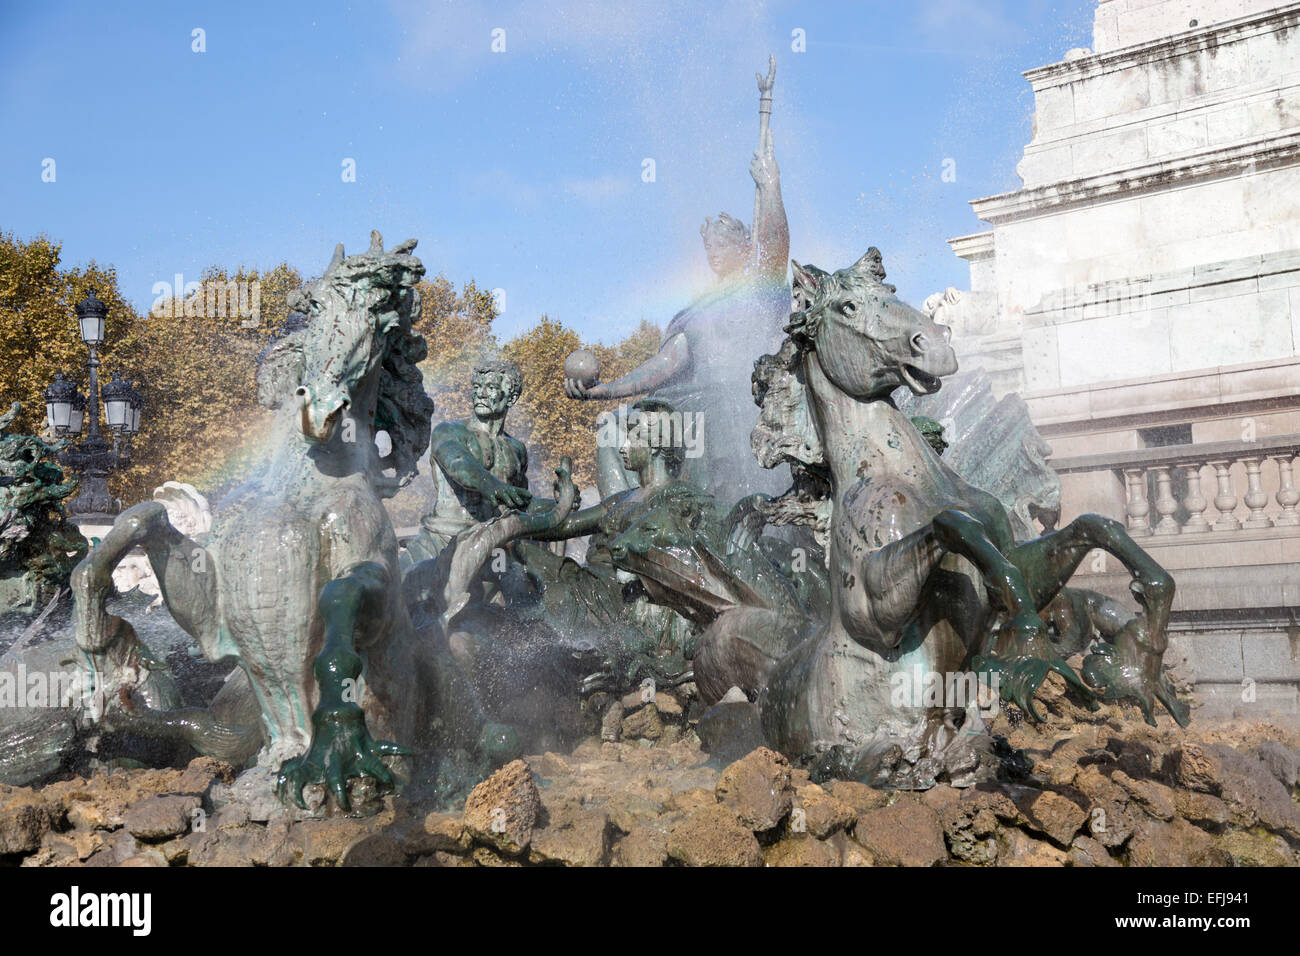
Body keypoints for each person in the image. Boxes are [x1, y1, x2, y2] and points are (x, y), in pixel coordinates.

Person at [563, 57, 791, 505]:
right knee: (614, 429)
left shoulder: (759, 290)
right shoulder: (697, 312)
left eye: (721, 247)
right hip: (692, 404)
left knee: (706, 420)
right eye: (708, 250)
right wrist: (601, 391)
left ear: (742, 249)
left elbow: (775, 243)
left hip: (740, 400)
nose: (712, 256)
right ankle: (621, 524)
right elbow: (661, 369)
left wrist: (772, 184)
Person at [406, 360, 531, 565]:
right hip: (442, 540)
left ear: (512, 398)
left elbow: (522, 503)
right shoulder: (449, 431)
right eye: (476, 387)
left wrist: (561, 503)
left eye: (490, 387)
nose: (480, 394)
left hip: (490, 545)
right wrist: (493, 485)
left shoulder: (517, 449)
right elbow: (459, 465)